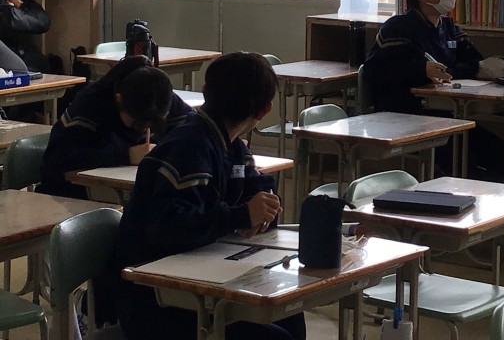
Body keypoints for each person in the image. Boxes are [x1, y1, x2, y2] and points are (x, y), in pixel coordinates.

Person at [115, 52, 306, 340]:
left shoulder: (231, 144)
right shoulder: (189, 145)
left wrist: (265, 204)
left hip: (198, 280)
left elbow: (257, 184)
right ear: (264, 111)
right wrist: (242, 215)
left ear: (205, 91)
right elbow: (169, 228)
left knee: (288, 311)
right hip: (156, 300)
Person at [364, 0, 504, 179]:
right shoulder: (398, 28)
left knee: (498, 151)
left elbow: (474, 62)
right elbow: (375, 71)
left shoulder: (449, 27)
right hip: (407, 114)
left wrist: (451, 70)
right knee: (462, 156)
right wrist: (421, 69)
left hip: (444, 114)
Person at [36, 55, 193, 200]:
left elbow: (194, 136)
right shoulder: (91, 102)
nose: (146, 130)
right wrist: (127, 155)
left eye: (153, 126)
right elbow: (56, 160)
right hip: (72, 195)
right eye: (138, 124)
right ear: (119, 100)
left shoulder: (161, 98)